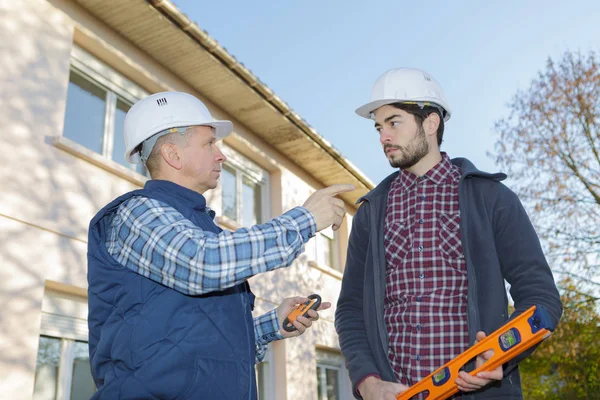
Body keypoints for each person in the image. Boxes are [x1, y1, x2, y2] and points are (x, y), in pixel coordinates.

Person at [87, 91, 354, 399]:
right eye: (208, 143)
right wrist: (305, 220)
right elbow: (204, 262)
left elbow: (199, 347)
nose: (221, 155)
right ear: (173, 155)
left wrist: (272, 324)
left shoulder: (200, 229)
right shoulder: (136, 214)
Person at [335, 68, 563, 400]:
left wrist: (502, 354)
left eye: (394, 123)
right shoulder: (370, 213)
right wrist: (368, 382)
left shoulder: (491, 198)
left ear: (431, 123)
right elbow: (350, 309)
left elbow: (541, 296)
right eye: (379, 127)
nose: (383, 136)